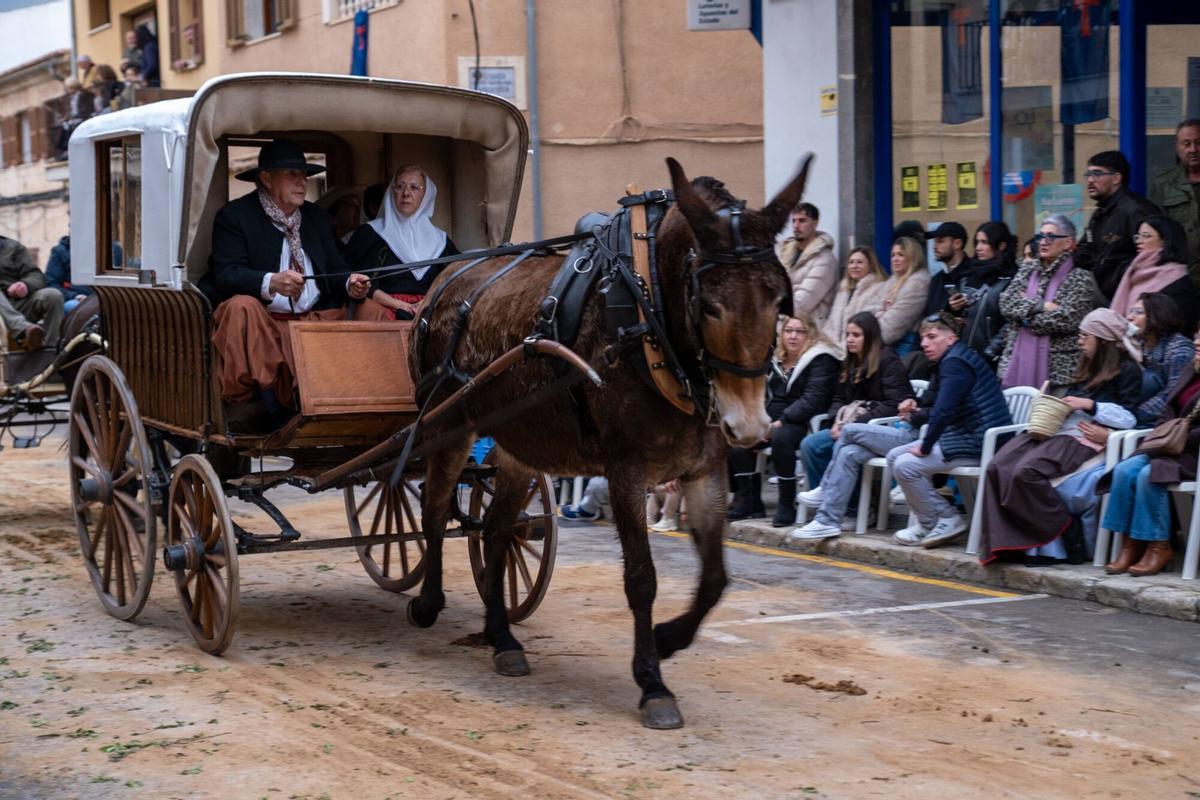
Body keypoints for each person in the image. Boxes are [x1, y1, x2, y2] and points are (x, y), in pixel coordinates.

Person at [205, 140, 389, 427]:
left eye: (304, 174)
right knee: (241, 307)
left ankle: (372, 403)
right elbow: (226, 274)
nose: (302, 181)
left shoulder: (315, 217)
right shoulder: (235, 216)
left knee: (372, 310)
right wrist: (272, 282)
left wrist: (349, 282)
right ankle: (269, 406)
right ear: (267, 179)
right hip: (267, 324)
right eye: (292, 174)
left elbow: (336, 267)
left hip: (317, 320)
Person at [977, 308, 1142, 565]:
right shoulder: (1086, 366)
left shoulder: (1128, 370)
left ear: (1104, 340)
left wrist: (1091, 405)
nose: (1079, 341)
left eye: (1085, 336)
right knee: (997, 466)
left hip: (1084, 438)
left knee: (1027, 472)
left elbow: (1130, 418)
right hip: (1057, 431)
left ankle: (1063, 537)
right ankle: (1009, 543)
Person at [888, 313, 1012, 549]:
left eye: (932, 337)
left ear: (951, 338)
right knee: (895, 456)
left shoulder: (955, 363)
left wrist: (925, 447)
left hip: (981, 441)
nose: (924, 343)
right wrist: (915, 407)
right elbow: (935, 405)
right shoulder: (951, 359)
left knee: (906, 466)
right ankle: (929, 522)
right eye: (922, 338)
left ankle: (946, 519)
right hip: (967, 435)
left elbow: (943, 412)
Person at [791, 313, 915, 541]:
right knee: (811, 445)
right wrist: (836, 422)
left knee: (839, 445)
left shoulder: (888, 361)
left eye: (856, 335)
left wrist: (854, 425)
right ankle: (836, 507)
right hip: (852, 429)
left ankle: (843, 503)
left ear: (870, 337)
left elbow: (894, 404)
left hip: (884, 430)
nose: (850, 339)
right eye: (848, 334)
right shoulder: (850, 362)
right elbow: (838, 398)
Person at [1098, 327, 1200, 577]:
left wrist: (1179, 438)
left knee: (1148, 474)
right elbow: (1168, 407)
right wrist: (1166, 432)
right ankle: (1130, 544)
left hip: (1192, 453)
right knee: (1124, 470)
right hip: (1168, 445)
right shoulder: (1192, 370)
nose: (1197, 343)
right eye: (1197, 337)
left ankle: (1158, 545)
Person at [727, 312, 840, 525]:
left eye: (800, 331)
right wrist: (757, 422)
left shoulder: (820, 359)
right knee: (739, 437)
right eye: (789, 331)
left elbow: (812, 400)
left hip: (802, 422)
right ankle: (750, 501)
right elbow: (759, 393)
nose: (793, 336)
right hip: (770, 419)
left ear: (810, 334)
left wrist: (778, 424)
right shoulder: (776, 358)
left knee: (781, 438)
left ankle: (786, 503)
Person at [996, 215, 1099, 389]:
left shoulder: (1080, 277)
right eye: (1040, 236)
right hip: (1014, 362)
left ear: (1068, 243)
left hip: (1058, 372)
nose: (1043, 242)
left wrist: (1022, 318)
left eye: (1050, 237)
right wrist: (1041, 306)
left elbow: (1067, 319)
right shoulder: (1028, 269)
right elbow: (1005, 303)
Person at [344, 165, 459, 320]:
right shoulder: (371, 233)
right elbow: (358, 281)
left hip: (428, 312)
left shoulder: (441, 240)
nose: (406, 193)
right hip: (383, 312)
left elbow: (453, 281)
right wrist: (401, 305)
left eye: (414, 187)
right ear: (392, 192)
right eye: (400, 186)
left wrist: (426, 303)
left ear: (426, 195)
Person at [1073, 150, 1161, 300]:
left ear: (1116, 178)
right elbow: (1085, 252)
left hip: (1132, 298)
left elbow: (1152, 257)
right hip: (1107, 296)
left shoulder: (1135, 210)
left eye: (1097, 174)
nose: (1090, 180)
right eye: (1088, 174)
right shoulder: (1100, 213)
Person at [1110, 216, 1197, 335]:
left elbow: (1181, 328)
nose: (1138, 241)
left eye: (1146, 236)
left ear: (1165, 240)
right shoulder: (1134, 273)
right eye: (1137, 236)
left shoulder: (1177, 281)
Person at [1126, 293, 1192, 428]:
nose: (1130, 317)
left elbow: (1173, 393)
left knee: (1149, 378)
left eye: (1138, 312)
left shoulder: (1179, 348)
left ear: (1156, 315)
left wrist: (1134, 415)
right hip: (1132, 415)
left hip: (1160, 420)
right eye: (1131, 311)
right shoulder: (1140, 345)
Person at [1148, 119, 1200, 282]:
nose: (1193, 149)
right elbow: (1155, 232)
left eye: (1198, 143)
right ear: (1177, 147)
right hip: (1181, 276)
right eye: (1186, 144)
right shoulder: (1163, 184)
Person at [774, 203, 838, 324]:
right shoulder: (783, 251)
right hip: (783, 325)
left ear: (815, 223)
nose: (796, 226)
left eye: (802, 221)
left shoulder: (825, 259)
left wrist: (772, 307)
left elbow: (801, 304)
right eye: (794, 221)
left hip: (809, 327)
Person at [0, 235, 63, 350]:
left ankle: (52, 349)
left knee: (53, 295)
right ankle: (24, 330)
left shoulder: (13, 247)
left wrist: (25, 285)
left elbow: (35, 275)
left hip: (17, 303)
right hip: (4, 313)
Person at [819, 245, 886, 353]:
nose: (854, 266)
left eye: (859, 262)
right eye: (851, 262)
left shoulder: (879, 289)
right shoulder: (843, 290)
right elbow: (831, 325)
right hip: (835, 350)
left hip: (860, 351)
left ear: (870, 265)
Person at [876, 236, 931, 356]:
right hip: (886, 342)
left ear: (912, 257)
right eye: (893, 255)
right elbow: (875, 307)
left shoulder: (918, 282)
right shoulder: (892, 281)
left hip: (905, 344)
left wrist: (882, 313)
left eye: (901, 255)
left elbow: (896, 322)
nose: (895, 259)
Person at [44, 235, 93, 315]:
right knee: (71, 307)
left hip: (104, 298)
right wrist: (75, 296)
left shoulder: (110, 249)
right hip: (77, 299)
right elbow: (52, 284)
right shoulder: (60, 251)